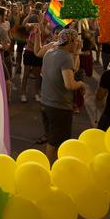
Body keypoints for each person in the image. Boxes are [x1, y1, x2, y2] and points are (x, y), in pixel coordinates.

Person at [36, 28, 85, 163]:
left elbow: (72, 70)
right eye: (76, 41)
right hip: (59, 106)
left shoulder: (50, 52)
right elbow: (70, 84)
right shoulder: (65, 56)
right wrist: (81, 84)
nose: (77, 44)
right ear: (70, 41)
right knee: (55, 143)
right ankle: (51, 171)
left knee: (52, 139)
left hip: (45, 103)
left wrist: (75, 53)